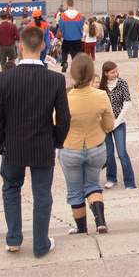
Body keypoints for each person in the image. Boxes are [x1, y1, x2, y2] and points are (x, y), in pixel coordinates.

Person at [0, 26, 71, 258]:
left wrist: (0, 143)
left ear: (20, 46)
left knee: (11, 188)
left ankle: (14, 238)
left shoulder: (4, 78)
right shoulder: (55, 79)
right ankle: (40, 244)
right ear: (43, 46)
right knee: (42, 194)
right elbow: (64, 118)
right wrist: (56, 140)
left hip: (13, 144)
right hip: (43, 143)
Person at [60, 54, 114, 234]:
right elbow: (109, 125)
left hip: (71, 146)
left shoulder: (65, 98)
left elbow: (55, 122)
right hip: (95, 145)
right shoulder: (101, 95)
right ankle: (100, 221)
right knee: (93, 184)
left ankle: (81, 228)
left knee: (75, 190)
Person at [99, 62, 136, 189]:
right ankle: (111, 178)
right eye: (112, 72)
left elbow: (127, 103)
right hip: (105, 123)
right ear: (106, 73)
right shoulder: (101, 86)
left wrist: (116, 122)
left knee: (122, 152)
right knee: (109, 153)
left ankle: (130, 181)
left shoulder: (122, 83)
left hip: (119, 123)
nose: (115, 73)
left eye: (116, 71)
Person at [58, 0, 85, 71]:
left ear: (67, 4)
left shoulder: (63, 15)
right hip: (77, 37)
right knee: (76, 52)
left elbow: (61, 26)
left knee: (64, 51)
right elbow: (81, 25)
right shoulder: (79, 15)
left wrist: (63, 32)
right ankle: (76, 66)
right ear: (73, 4)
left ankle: (64, 62)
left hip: (67, 37)